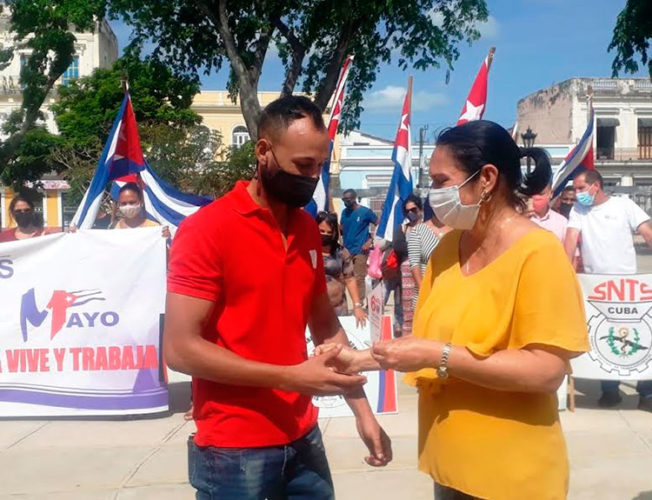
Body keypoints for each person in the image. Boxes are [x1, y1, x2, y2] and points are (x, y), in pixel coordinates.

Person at [322, 121, 589, 499]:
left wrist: (439, 355)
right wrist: (358, 359)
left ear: (487, 179)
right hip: (449, 468)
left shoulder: (539, 254)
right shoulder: (446, 251)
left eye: (442, 181)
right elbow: (426, 342)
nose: (434, 194)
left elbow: (546, 370)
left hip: (510, 473)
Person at [165, 95, 391, 499]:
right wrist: (290, 376)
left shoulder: (306, 229)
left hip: (303, 434)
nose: (312, 177)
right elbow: (180, 349)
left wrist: (363, 412)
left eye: (320, 166)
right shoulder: (208, 230)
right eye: (303, 165)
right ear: (263, 151)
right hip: (234, 448)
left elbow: (324, 325)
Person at [564, 169, 652, 411]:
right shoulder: (579, 210)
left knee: (641, 335)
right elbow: (571, 240)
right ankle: (610, 391)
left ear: (596, 186)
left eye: (581, 188)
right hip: (595, 287)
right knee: (604, 336)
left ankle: (647, 392)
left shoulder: (624, 205)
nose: (578, 193)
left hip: (629, 286)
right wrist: (563, 272)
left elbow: (647, 233)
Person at [317, 211, 367, 327]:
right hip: (312, 311)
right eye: (321, 231)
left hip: (337, 310)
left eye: (329, 232)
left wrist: (357, 306)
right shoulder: (306, 250)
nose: (325, 235)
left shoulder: (341, 253)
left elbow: (350, 279)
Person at [340, 189, 378, 300]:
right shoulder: (344, 212)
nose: (345, 202)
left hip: (360, 250)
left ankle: (359, 304)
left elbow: (379, 225)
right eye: (343, 199)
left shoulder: (365, 212)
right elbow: (342, 228)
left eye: (347, 199)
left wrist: (371, 240)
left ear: (354, 198)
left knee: (359, 278)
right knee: (344, 277)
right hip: (346, 250)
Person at [394, 194, 423, 336]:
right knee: (407, 310)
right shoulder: (402, 228)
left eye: (414, 209)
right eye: (407, 211)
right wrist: (418, 247)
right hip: (406, 275)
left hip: (425, 272)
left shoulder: (428, 227)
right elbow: (398, 247)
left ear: (420, 209)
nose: (411, 213)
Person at [407, 198, 450, 291]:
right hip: (426, 290)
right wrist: (424, 291)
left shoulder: (457, 230)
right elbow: (414, 265)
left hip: (451, 291)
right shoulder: (418, 231)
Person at [527, 152, 568, 243]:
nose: (537, 197)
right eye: (534, 193)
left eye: (541, 194)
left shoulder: (561, 223)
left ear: (551, 194)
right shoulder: (521, 219)